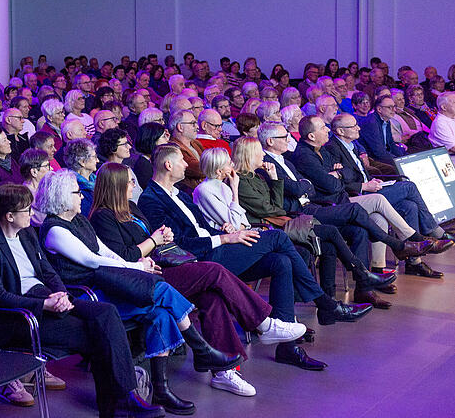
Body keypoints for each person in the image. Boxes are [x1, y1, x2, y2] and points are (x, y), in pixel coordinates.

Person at [139, 144, 370, 370]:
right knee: (278, 238)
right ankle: (325, 304)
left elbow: (205, 229)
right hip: (201, 260)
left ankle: (287, 348)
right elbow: (175, 244)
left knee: (282, 261)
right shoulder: (152, 199)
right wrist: (225, 238)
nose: (186, 164)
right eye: (181, 159)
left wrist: (226, 232)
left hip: (216, 247)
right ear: (168, 165)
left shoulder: (183, 195)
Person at [89, 162, 308, 395]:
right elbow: (123, 258)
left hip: (163, 264)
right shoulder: (102, 217)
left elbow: (153, 242)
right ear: (116, 185)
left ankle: (224, 371)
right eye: (129, 181)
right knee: (213, 271)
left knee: (211, 297)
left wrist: (164, 238)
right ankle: (263, 324)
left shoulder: (131, 208)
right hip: (140, 281)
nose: (134, 184)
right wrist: (153, 241)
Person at [35, 170, 240, 414]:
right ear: (60, 197)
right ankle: (202, 351)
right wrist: (135, 265)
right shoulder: (54, 229)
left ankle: (162, 390)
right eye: (77, 193)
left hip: (108, 283)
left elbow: (105, 252)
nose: (82, 196)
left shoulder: (79, 221)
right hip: (88, 296)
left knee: (162, 314)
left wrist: (134, 265)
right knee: (162, 291)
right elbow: (91, 261)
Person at [0, 183, 165, 418]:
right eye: (27, 211)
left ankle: (124, 399)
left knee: (106, 313)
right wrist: (44, 304)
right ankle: (120, 402)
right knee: (95, 333)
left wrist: (61, 294)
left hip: (47, 296)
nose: (32, 215)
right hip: (16, 316)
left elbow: (47, 272)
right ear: (10, 215)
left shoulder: (27, 234)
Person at [232, 137, 399, 307]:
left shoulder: (260, 175)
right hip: (277, 225)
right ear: (249, 154)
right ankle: (369, 268)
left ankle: (338, 298)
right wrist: (285, 187)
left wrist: (275, 178)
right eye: (259, 151)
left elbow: (286, 199)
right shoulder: (242, 181)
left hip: (290, 216)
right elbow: (272, 209)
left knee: (349, 235)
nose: (262, 154)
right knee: (341, 223)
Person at [293, 115, 442, 277]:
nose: (327, 129)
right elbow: (331, 184)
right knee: (404, 189)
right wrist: (340, 176)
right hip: (334, 203)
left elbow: (348, 173)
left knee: (403, 208)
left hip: (344, 197)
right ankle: (416, 239)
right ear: (312, 136)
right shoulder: (308, 155)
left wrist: (338, 173)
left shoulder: (321, 149)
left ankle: (381, 268)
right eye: (323, 127)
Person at [192, 148, 250, 230]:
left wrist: (238, 227)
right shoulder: (204, 190)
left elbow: (245, 223)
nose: (233, 165)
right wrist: (235, 189)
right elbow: (235, 223)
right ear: (219, 171)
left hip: (238, 235)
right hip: (220, 238)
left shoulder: (224, 187)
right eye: (229, 163)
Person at [97, 128, 143, 199]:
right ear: (113, 148)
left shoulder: (127, 168)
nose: (129, 147)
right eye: (124, 144)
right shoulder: (106, 172)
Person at [61, 138, 98, 216]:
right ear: (82, 162)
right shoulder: (74, 186)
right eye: (94, 157)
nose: (97, 160)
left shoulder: (97, 180)